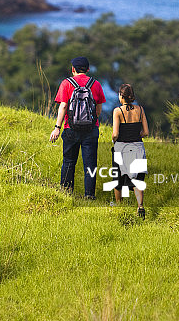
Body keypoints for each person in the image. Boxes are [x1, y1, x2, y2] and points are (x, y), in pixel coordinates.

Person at [50, 56, 105, 198]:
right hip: (91, 130)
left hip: (70, 129)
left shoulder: (66, 83)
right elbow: (98, 110)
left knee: (68, 162)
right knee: (90, 165)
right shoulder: (96, 84)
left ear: (73, 69)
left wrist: (57, 127)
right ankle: (89, 196)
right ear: (87, 69)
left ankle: (67, 193)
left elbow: (63, 106)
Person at [111, 83, 149, 218]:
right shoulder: (140, 110)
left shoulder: (117, 111)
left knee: (118, 177)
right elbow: (146, 132)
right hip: (138, 147)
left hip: (121, 147)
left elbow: (115, 134)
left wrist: (114, 140)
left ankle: (119, 205)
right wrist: (136, 136)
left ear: (121, 96)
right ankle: (140, 206)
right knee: (138, 179)